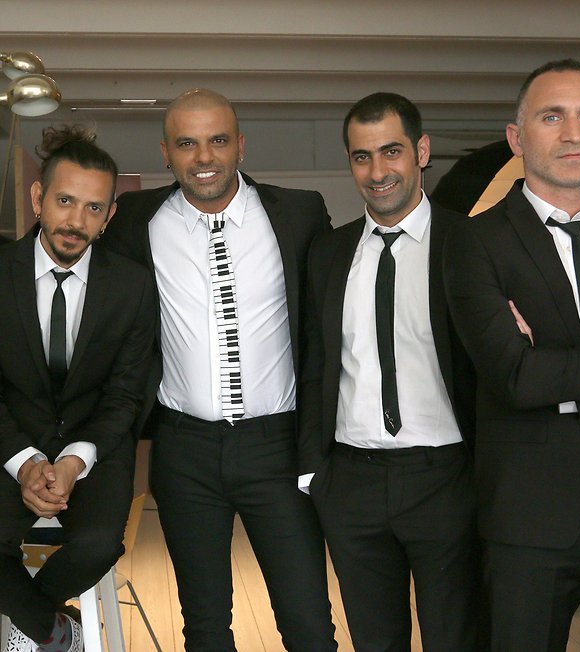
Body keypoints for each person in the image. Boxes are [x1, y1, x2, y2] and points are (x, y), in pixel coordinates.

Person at [102, 88, 337, 652]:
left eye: (218, 140)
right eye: (187, 143)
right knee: (205, 629)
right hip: (183, 451)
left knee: (308, 623)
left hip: (278, 449)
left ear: (240, 145)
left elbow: (333, 315)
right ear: (166, 153)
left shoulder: (300, 213)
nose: (204, 157)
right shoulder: (135, 219)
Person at [443, 59, 580, 651]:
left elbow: (539, 380)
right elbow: (516, 380)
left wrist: (557, 381)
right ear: (517, 138)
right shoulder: (474, 243)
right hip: (530, 515)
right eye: (552, 117)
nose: (573, 133)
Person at [299, 92, 479, 651]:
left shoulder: (471, 243)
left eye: (392, 151)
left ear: (421, 151)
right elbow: (316, 363)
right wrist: (315, 473)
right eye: (362, 156)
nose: (378, 172)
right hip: (351, 484)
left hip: (447, 480)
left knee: (456, 639)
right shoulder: (328, 253)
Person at [0, 125, 156, 652]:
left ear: (110, 215)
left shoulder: (132, 285)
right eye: (64, 201)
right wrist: (25, 463)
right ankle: (55, 631)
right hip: (10, 440)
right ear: (38, 197)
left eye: (93, 208)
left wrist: (71, 462)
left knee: (98, 544)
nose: (76, 221)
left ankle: (30, 622)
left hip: (94, 446)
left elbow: (126, 394)